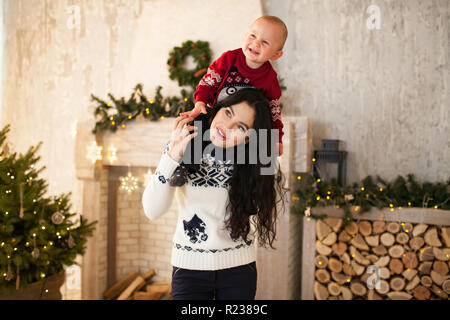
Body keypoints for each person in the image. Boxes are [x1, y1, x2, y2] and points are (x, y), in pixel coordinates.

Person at [142, 88, 286, 300]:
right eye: (228, 113)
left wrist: (265, 149)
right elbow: (152, 211)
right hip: (188, 269)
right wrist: (172, 156)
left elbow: (261, 203)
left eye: (240, 127)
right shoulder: (184, 143)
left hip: (239, 269)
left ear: (249, 138)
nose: (226, 127)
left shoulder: (253, 160)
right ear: (217, 109)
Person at [180, 15, 288, 156]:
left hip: (240, 128)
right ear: (245, 36)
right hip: (214, 113)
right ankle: (186, 168)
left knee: (250, 148)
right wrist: (200, 101)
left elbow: (273, 112)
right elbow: (209, 82)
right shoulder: (229, 59)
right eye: (253, 36)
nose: (256, 43)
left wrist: (276, 139)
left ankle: (233, 173)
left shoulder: (269, 79)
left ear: (276, 54)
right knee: (195, 127)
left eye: (265, 42)